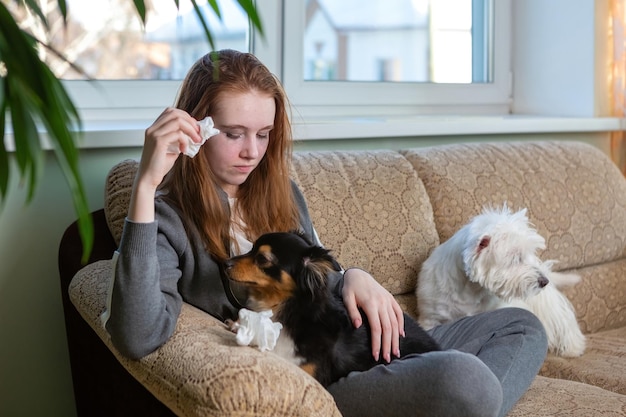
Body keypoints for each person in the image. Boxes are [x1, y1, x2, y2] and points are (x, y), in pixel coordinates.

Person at [105, 49, 547, 417]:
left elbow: (320, 275)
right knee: (463, 378)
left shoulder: (282, 194)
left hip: (361, 340)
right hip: (325, 376)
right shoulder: (166, 217)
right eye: (234, 134)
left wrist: (353, 275)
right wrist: (145, 185)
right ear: (196, 130)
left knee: (522, 326)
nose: (252, 152)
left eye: (263, 134)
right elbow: (138, 333)